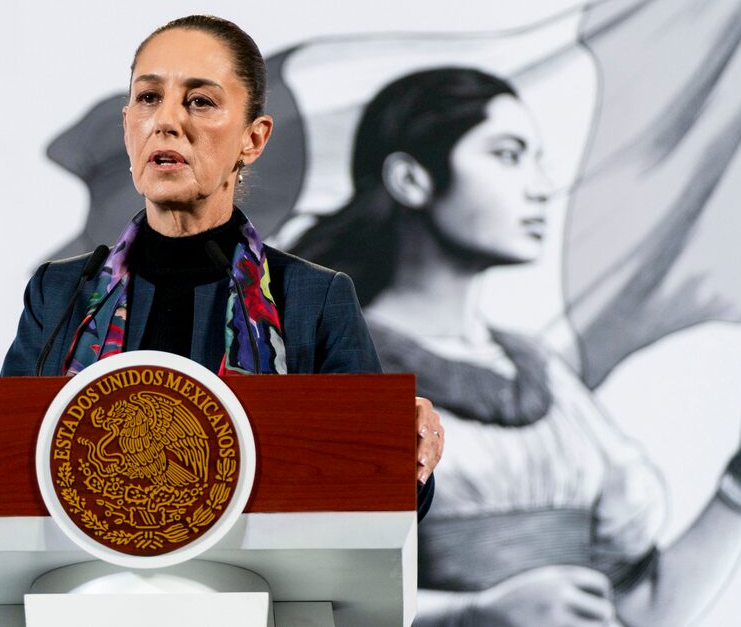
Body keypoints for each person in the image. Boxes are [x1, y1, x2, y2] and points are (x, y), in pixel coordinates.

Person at [0, 15, 443, 511]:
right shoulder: (61, 293)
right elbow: (8, 472)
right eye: (148, 98)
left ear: (253, 139)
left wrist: (403, 450)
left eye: (200, 101)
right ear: (127, 126)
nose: (167, 121)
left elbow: (377, 498)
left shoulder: (312, 298)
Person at [293, 67, 741, 626]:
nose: (541, 186)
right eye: (508, 155)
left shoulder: (543, 373)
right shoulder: (335, 362)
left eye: (536, 160)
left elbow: (640, 609)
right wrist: (472, 613)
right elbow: (302, 597)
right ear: (411, 179)